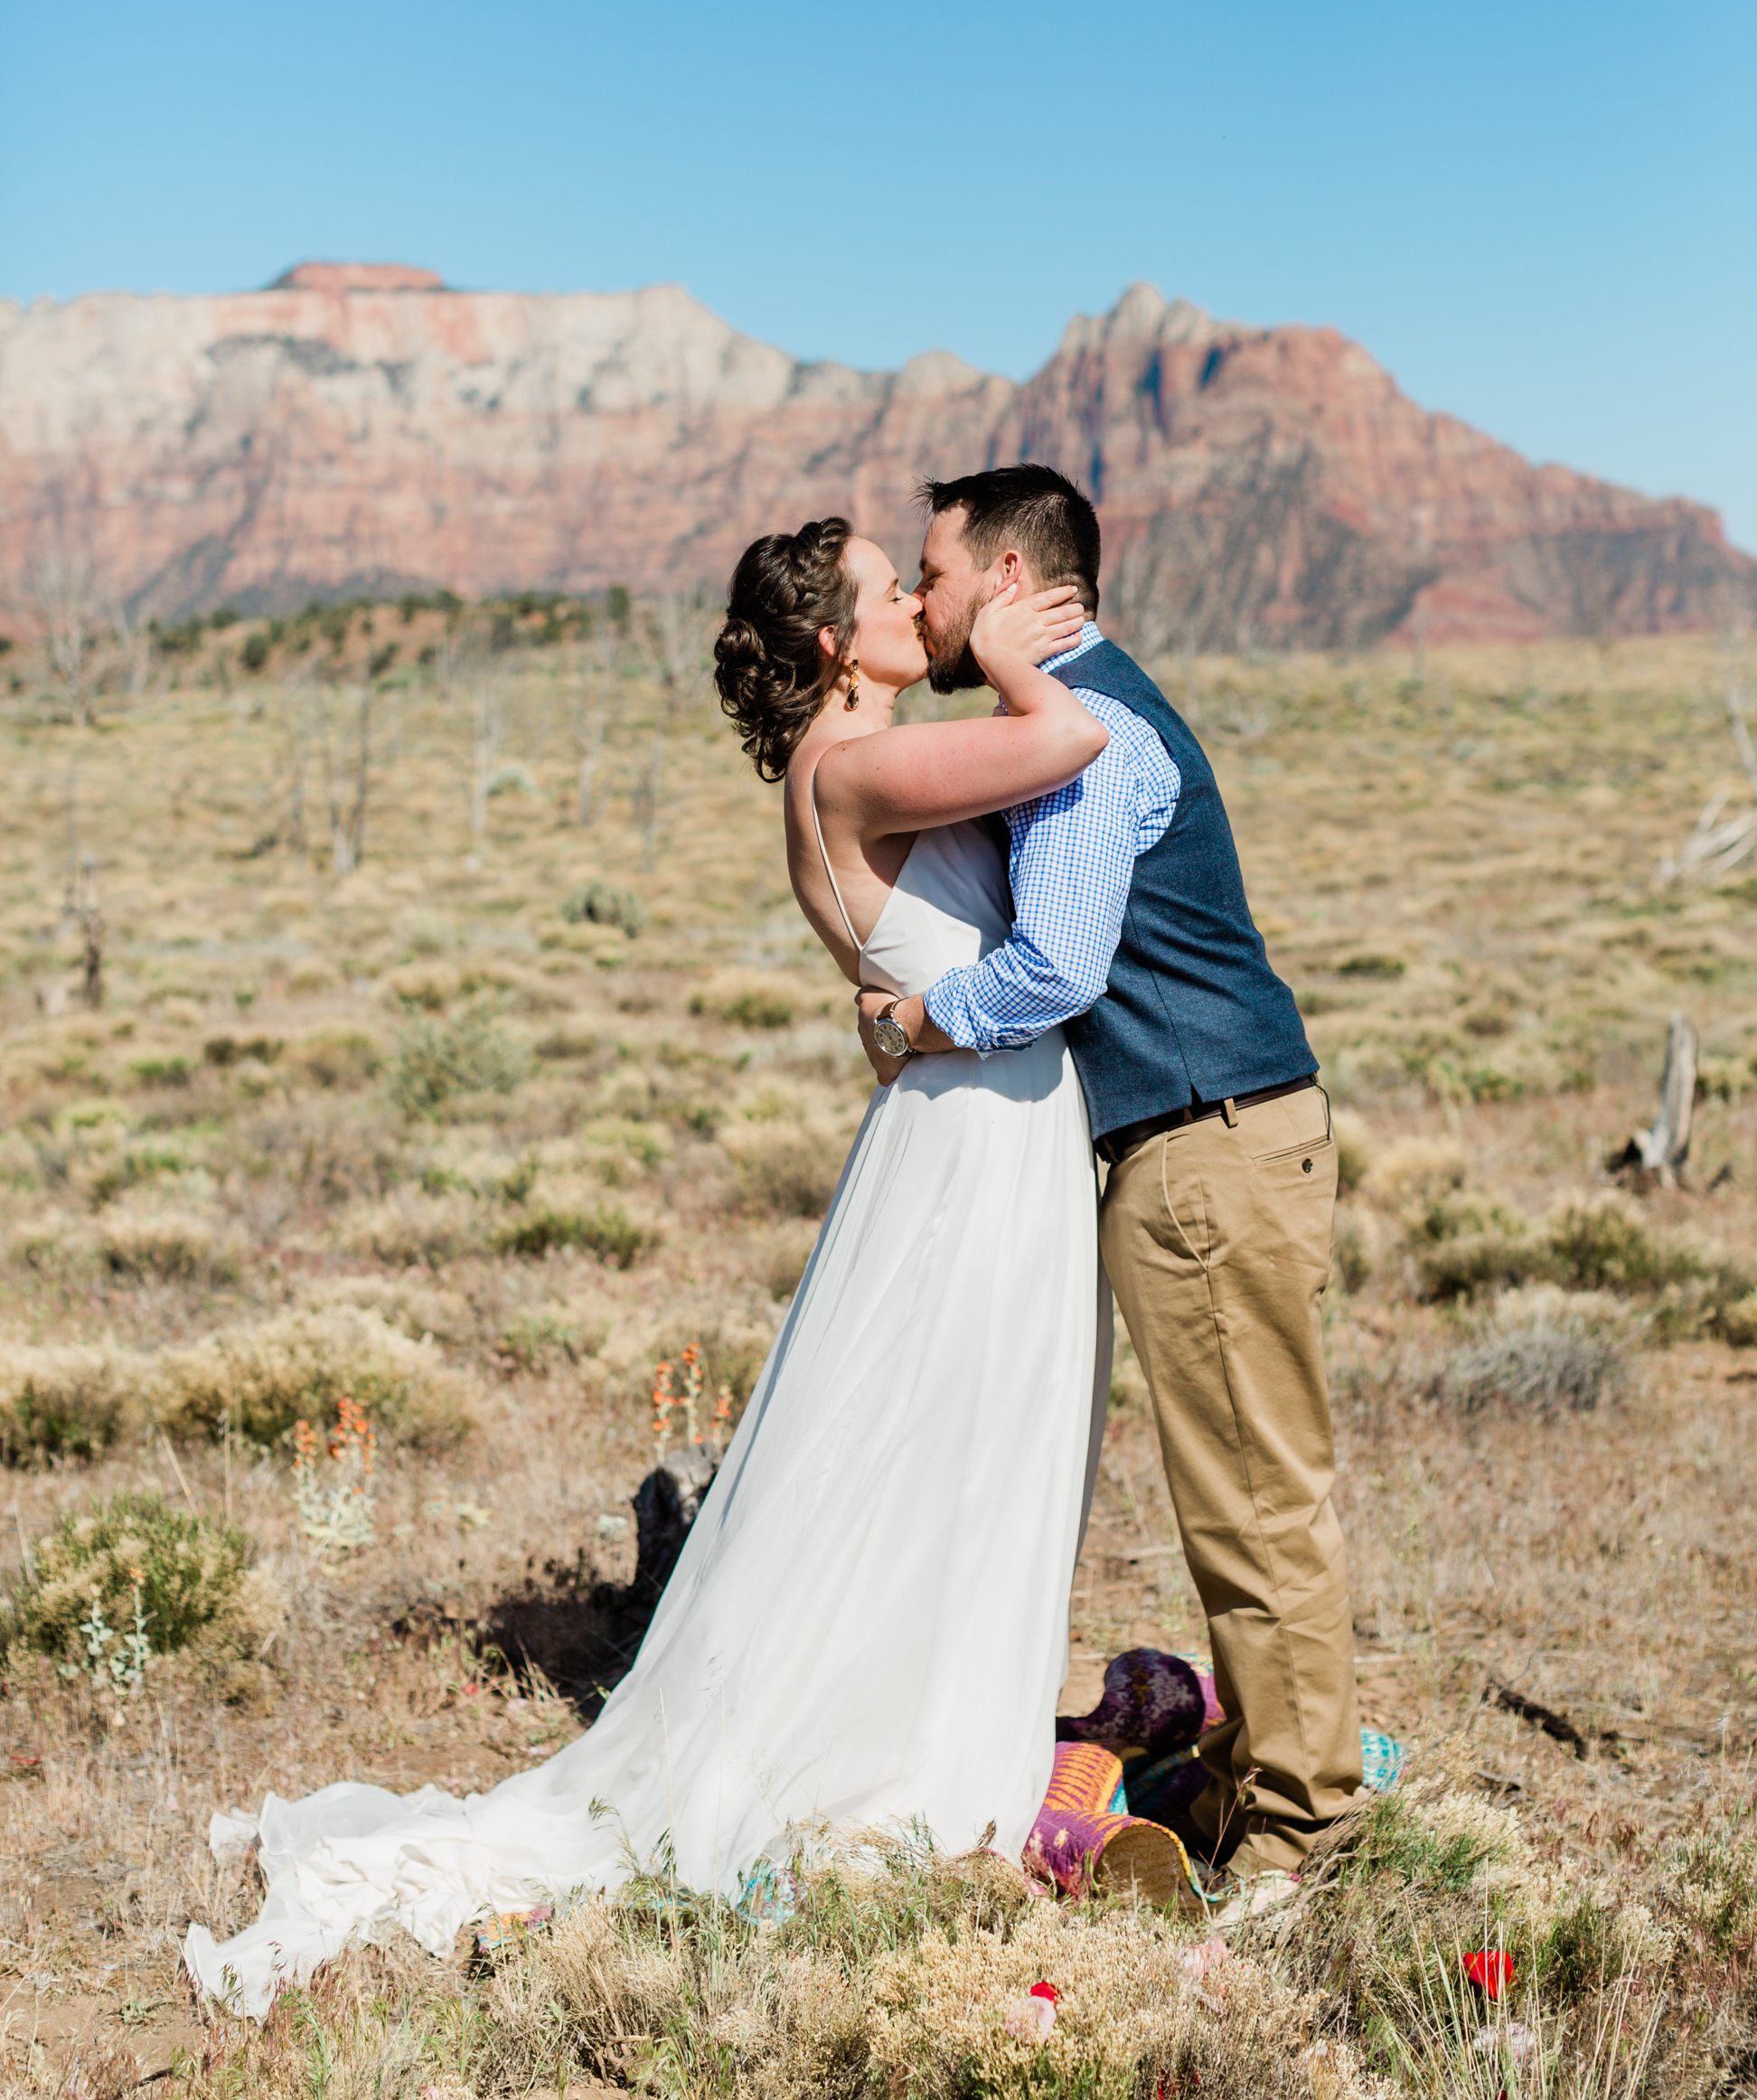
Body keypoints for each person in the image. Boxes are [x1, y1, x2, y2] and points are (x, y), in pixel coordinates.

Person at [185, 519, 1113, 2020]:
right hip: (969, 1146)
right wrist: (1015, 650)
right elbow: (1067, 739)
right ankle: (913, 1770)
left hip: (971, 1123)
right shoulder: (861, 766)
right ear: (834, 644)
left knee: (938, 1456)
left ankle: (931, 1745)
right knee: (944, 1450)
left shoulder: (844, 766)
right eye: (893, 595)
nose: (915, 610)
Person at [856, 465, 1362, 1916]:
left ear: (1010, 580)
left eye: (939, 577)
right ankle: (1271, 1764)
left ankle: (1302, 1830)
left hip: (1207, 1143)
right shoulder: (1065, 716)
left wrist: (912, 1024)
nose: (926, 604)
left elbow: (1061, 970)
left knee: (1254, 1502)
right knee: (1249, 1489)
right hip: (1217, 1135)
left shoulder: (1089, 734)